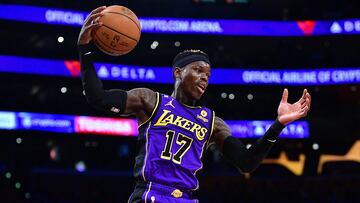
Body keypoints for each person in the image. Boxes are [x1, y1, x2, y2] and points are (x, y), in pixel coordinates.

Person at [77, 6, 311, 203]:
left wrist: (278, 124)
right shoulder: (151, 100)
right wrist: (85, 50)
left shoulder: (212, 122)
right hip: (151, 194)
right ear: (178, 72)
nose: (204, 77)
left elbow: (246, 163)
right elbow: (98, 97)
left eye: (207, 74)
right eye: (198, 70)